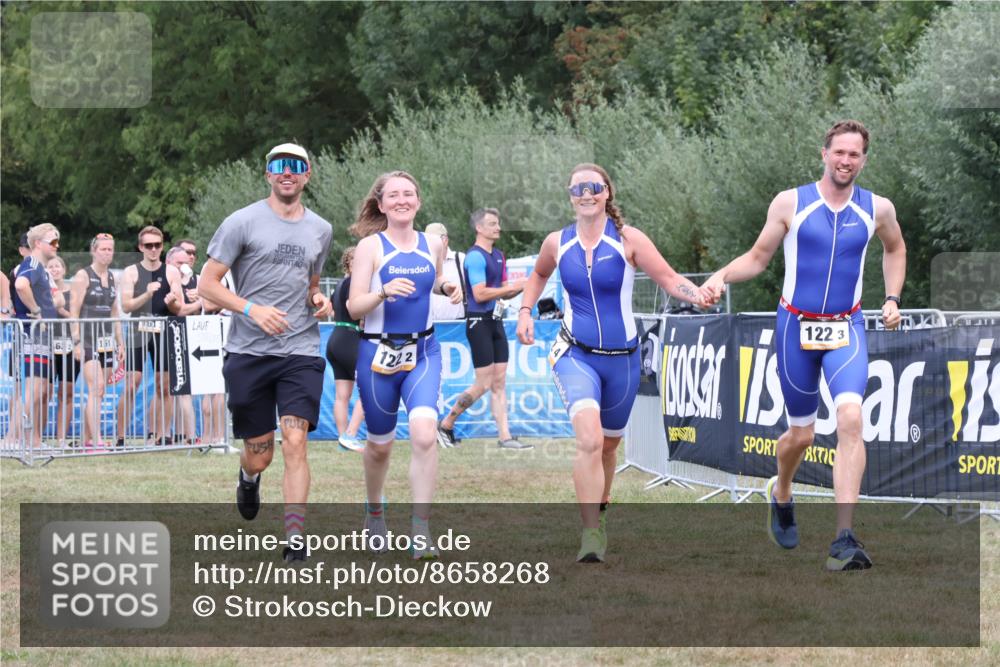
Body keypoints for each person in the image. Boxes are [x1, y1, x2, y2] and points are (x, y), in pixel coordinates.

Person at [702, 120, 906, 572]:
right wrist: (721, 276)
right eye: (840, 152)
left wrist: (892, 297)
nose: (846, 161)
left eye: (854, 154)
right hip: (795, 328)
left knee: (851, 418)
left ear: (864, 160)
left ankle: (844, 537)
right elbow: (758, 258)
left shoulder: (878, 208)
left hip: (846, 327)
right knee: (802, 435)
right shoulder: (791, 202)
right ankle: (782, 492)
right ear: (824, 153)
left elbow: (895, 249)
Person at [516, 163, 711, 563]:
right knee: (589, 440)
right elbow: (537, 275)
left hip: (623, 360)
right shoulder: (557, 242)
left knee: (608, 446)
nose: (586, 194)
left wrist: (699, 295)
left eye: (593, 186)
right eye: (578, 188)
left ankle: (601, 512)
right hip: (575, 355)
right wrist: (524, 311)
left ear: (607, 192)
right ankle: (590, 533)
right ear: (570, 196)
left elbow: (668, 278)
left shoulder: (628, 239)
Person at [199, 142, 333, 564]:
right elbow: (207, 285)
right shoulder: (241, 221)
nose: (287, 172)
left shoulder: (321, 229)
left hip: (300, 348)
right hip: (249, 351)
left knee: (295, 440)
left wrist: (319, 300)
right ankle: (247, 475)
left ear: (307, 174)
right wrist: (251, 309)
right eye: (279, 165)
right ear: (268, 174)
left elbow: (312, 284)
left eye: (296, 166)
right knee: (261, 453)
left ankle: (295, 538)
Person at [347, 170, 462, 560]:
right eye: (393, 195)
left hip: (423, 352)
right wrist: (382, 292)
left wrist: (447, 286)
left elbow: (435, 280)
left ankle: (420, 529)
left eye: (408, 194)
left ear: (418, 201)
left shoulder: (433, 243)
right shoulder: (369, 247)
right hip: (377, 354)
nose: (402, 200)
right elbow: (353, 306)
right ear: (381, 205)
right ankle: (374, 513)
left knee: (425, 436)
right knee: (380, 446)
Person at [437, 208, 528, 450]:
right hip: (478, 322)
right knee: (483, 384)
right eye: (492, 224)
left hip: (496, 321)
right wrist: (513, 287)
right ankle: (446, 424)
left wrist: (523, 286)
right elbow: (479, 294)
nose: (498, 228)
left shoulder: (499, 255)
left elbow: (505, 291)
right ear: (479, 228)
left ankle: (505, 437)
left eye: (498, 223)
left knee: (499, 383)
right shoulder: (475, 257)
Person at [116, 226, 185, 448]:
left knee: (164, 386)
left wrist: (171, 302)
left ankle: (163, 435)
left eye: (157, 245)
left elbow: (179, 308)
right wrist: (147, 293)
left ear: (162, 247)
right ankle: (120, 437)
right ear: (141, 247)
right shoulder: (131, 272)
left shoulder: (171, 272)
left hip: (163, 330)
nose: (153, 249)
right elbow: (126, 306)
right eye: (148, 245)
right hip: (138, 330)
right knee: (131, 384)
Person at [70, 234, 125, 449]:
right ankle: (97, 440)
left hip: (106, 340)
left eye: (110, 249)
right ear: (94, 251)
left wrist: (120, 343)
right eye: (103, 249)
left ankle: (87, 439)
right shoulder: (83, 276)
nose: (107, 253)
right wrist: (76, 342)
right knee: (97, 387)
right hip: (87, 339)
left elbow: (115, 312)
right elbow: (74, 312)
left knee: (100, 392)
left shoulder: (112, 277)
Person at [13, 223, 65, 449]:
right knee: (33, 390)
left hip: (41, 337)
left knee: (41, 389)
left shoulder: (41, 268)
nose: (56, 246)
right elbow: (20, 284)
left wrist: (45, 307)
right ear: (37, 243)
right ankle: (11, 439)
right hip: (31, 335)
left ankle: (32, 441)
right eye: (52, 241)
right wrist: (36, 311)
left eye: (57, 241)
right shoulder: (32, 263)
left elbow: (57, 299)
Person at [324, 246, 365, 452]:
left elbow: (332, 310)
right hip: (350, 337)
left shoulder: (339, 284)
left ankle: (343, 440)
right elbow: (353, 308)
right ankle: (350, 435)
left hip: (335, 338)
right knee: (370, 388)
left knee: (342, 395)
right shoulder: (355, 284)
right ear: (350, 263)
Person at [165, 246, 204, 444]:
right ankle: (185, 435)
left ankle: (185, 434)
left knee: (186, 389)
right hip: (174, 335)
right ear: (169, 263)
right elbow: (179, 310)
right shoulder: (167, 281)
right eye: (179, 262)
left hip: (196, 336)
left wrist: (201, 300)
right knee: (177, 388)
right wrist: (199, 303)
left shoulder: (198, 281)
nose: (183, 266)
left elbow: (203, 308)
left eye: (186, 262)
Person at [47, 255, 80, 448]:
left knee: (66, 393)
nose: (54, 269)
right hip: (47, 348)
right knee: (44, 393)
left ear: (64, 269)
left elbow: (79, 318)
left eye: (57, 266)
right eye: (50, 267)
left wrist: (63, 312)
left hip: (70, 347)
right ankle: (37, 438)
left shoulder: (73, 293)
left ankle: (61, 440)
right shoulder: (42, 292)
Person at [2, 234, 31, 446]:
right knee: (23, 388)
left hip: (32, 333)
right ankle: (12, 436)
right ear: (22, 250)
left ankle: (23, 437)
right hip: (24, 333)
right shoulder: (21, 270)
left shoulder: (37, 269)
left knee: (28, 387)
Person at [425, 223, 466, 321]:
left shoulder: (461, 259)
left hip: (458, 323)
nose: (429, 244)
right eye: (426, 240)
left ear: (445, 240)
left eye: (433, 240)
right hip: (430, 323)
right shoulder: (424, 262)